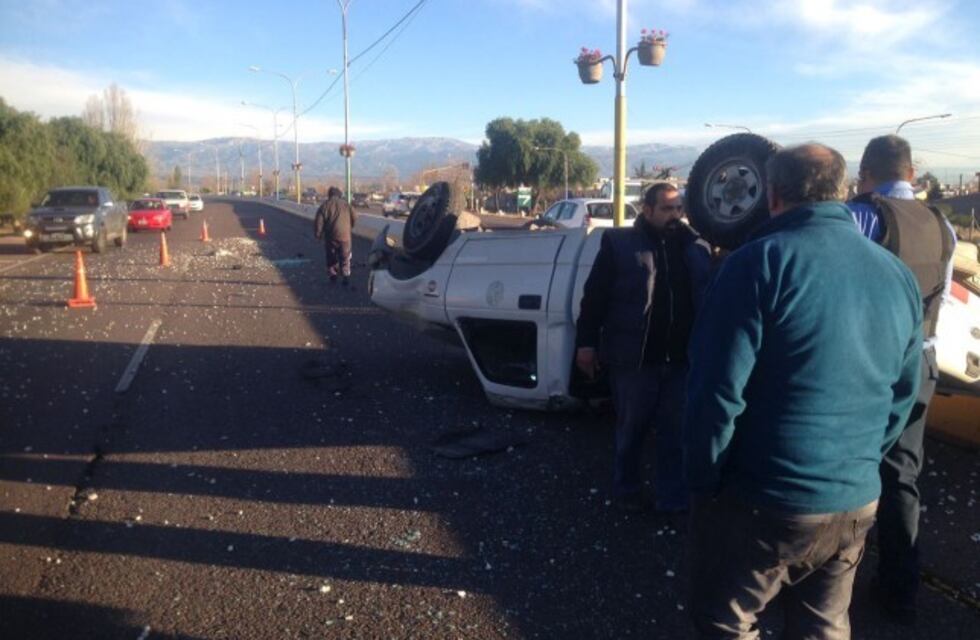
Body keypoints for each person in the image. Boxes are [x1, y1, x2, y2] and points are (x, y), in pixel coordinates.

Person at [685, 144, 923, 639]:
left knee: (726, 622)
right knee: (824, 626)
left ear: (771, 194)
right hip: (855, 499)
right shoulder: (897, 275)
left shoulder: (756, 264)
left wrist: (702, 478)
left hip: (769, 497)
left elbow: (715, 394)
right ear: (844, 190)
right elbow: (904, 394)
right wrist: (858, 462)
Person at [848, 134, 956, 623]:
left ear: (866, 173)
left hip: (865, 361)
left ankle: (828, 578)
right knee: (901, 474)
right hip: (921, 363)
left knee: (842, 464)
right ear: (912, 174)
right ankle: (899, 588)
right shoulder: (943, 225)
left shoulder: (860, 217)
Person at [575, 183, 712, 513]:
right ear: (647, 210)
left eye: (679, 208)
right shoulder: (619, 244)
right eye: (667, 209)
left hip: (680, 361)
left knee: (674, 434)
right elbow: (594, 298)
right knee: (630, 431)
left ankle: (672, 500)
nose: (675, 216)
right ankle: (627, 492)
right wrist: (586, 345)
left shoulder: (696, 247)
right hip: (635, 360)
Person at [314, 186, 357, 286]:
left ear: (329, 195)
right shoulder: (347, 205)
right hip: (345, 236)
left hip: (331, 236)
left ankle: (333, 275)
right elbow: (354, 216)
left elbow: (319, 222)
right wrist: (350, 227)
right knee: (345, 256)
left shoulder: (325, 206)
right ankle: (346, 275)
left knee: (331, 256)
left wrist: (318, 234)